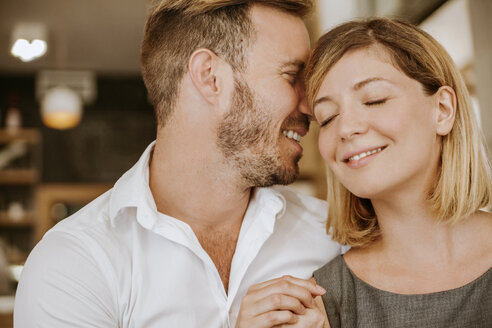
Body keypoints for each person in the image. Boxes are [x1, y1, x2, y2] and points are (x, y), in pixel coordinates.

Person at [14, 1, 342, 327]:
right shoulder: (72, 264)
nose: (310, 106)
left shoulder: (333, 236)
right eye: (291, 76)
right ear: (210, 77)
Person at [303, 17, 492, 327]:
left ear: (442, 110)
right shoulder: (322, 302)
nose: (346, 128)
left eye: (374, 100)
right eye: (327, 117)